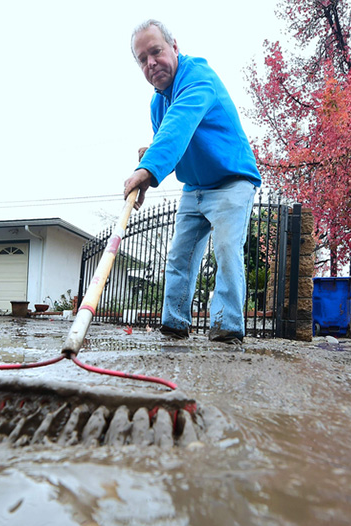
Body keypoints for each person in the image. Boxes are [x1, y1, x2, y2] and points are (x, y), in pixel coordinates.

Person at [124, 19, 261, 344]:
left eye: (155, 51)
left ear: (174, 47)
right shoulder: (158, 103)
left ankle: (227, 328)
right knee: (179, 256)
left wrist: (147, 168)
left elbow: (180, 125)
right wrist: (149, 170)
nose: (150, 63)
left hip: (232, 181)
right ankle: (174, 325)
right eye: (142, 59)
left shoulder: (198, 78)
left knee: (227, 248)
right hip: (195, 188)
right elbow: (171, 143)